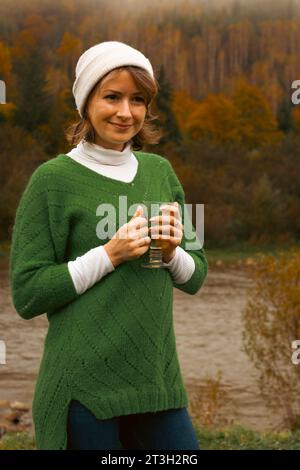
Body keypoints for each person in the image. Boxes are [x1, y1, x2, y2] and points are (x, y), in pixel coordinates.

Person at [9, 41, 208, 450]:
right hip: (84, 389)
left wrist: (172, 253)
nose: (125, 112)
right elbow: (27, 294)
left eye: (138, 100)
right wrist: (109, 254)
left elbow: (197, 276)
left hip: (157, 383)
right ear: (86, 103)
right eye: (111, 97)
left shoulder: (160, 171)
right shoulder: (52, 180)